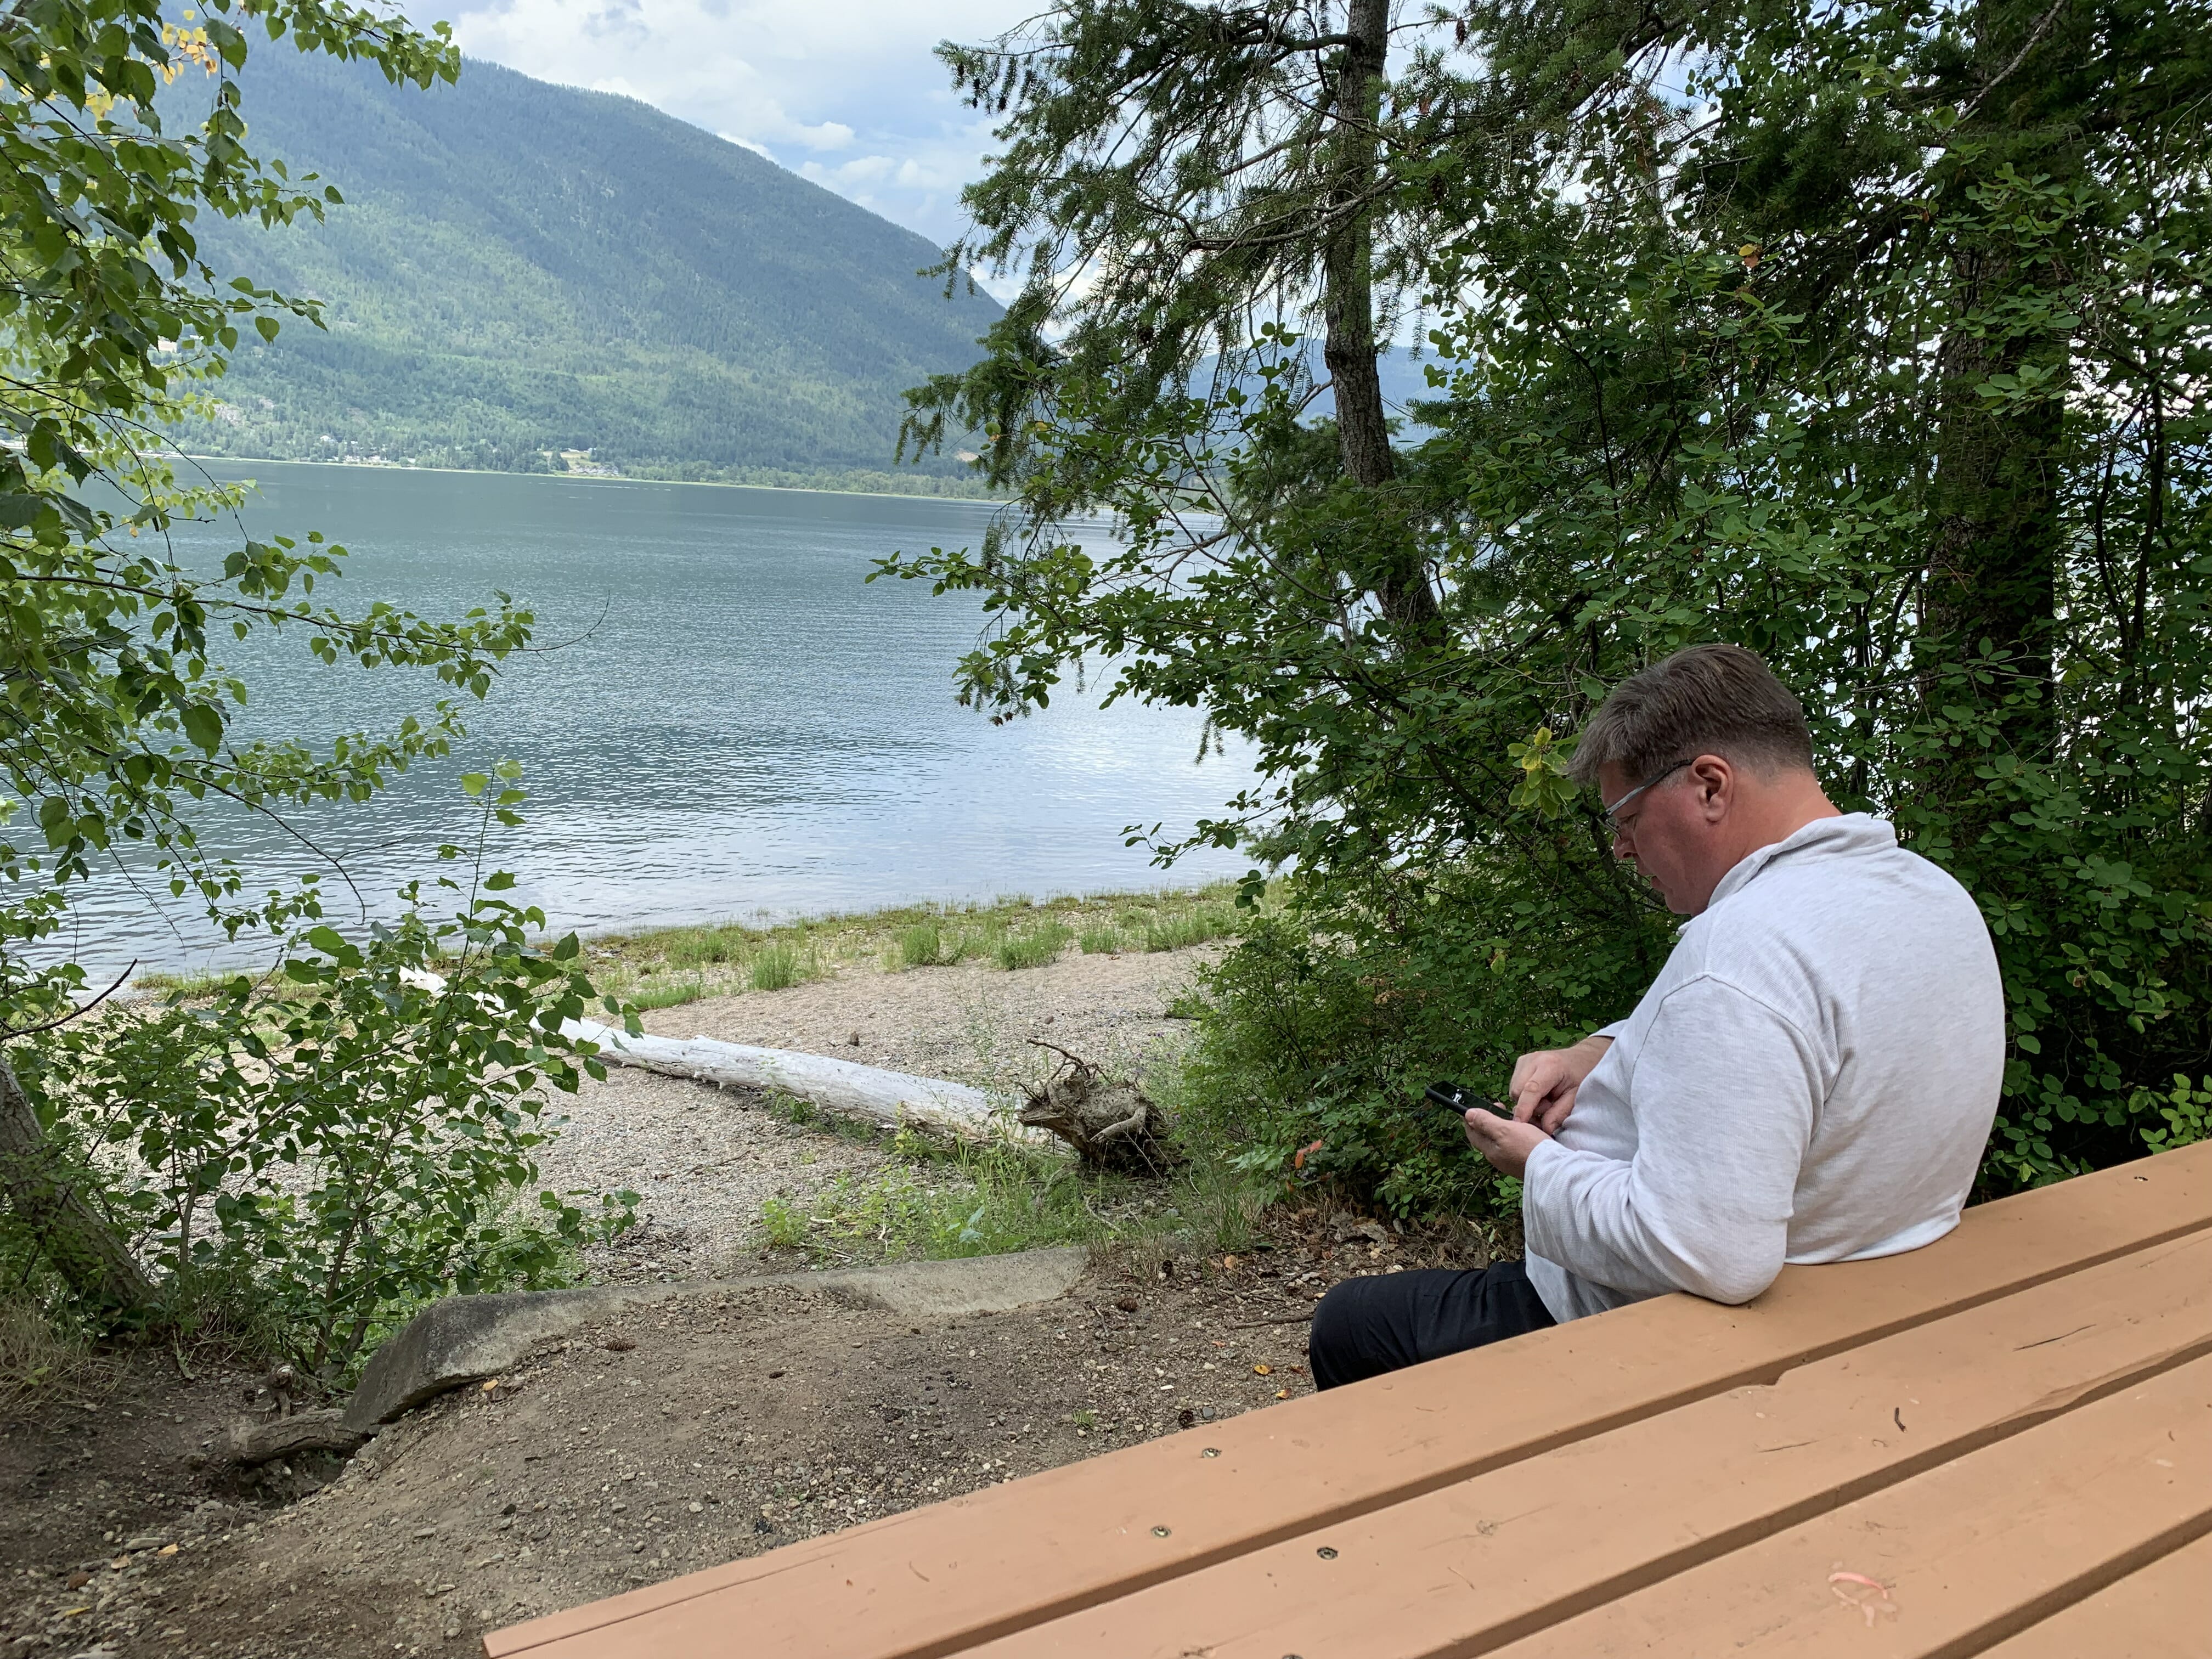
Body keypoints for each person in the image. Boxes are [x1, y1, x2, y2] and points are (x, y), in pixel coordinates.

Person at [1307, 643, 2005, 1390]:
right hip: (1874, 1282)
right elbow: (1790, 1038)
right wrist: (1595, 1053)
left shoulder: (1739, 951)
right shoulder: (1928, 895)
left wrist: (1536, 1164)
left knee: (1353, 1324)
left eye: (1629, 817)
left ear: (1710, 786)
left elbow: (1712, 1257)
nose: (1620, 848)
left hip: (1672, 1337)